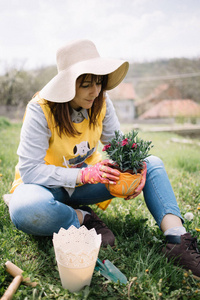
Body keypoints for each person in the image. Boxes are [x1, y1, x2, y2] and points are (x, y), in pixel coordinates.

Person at [9, 39, 200, 279]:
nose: (96, 91)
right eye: (87, 84)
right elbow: (30, 170)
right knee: (24, 210)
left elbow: (118, 144)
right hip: (45, 188)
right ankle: (83, 217)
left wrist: (135, 166)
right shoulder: (41, 109)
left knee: (152, 163)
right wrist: (83, 173)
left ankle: (176, 239)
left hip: (87, 186)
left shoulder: (101, 102)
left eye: (99, 82)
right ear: (67, 85)